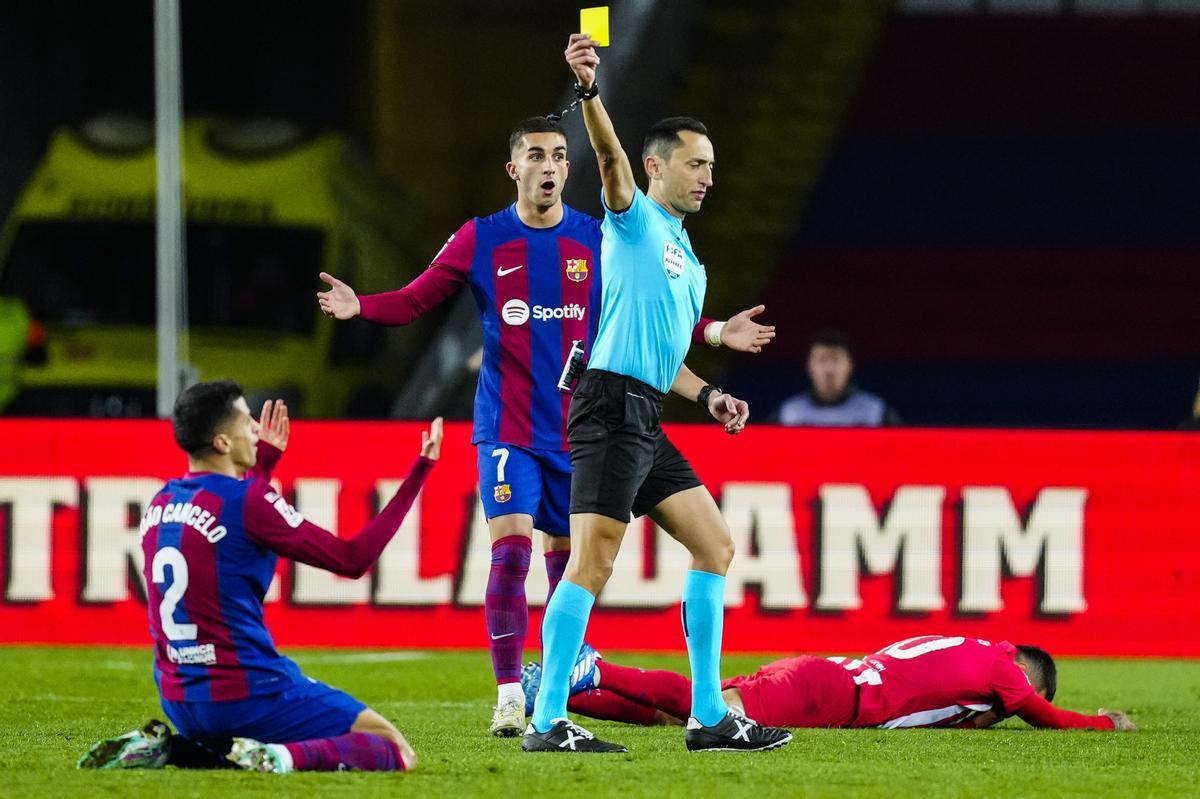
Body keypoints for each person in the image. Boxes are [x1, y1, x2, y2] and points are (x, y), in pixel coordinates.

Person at [317, 117, 775, 736]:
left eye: (560, 155)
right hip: (515, 425)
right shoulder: (483, 238)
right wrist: (361, 306)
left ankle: (632, 702)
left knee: (609, 557)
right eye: (537, 155)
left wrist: (714, 350)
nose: (551, 165)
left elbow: (648, 318)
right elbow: (418, 298)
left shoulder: (598, 238)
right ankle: (516, 693)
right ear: (516, 168)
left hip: (583, 424)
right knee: (515, 550)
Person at [520, 35, 791, 754]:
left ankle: (708, 715)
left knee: (716, 543)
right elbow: (606, 161)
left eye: (711, 167)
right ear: (656, 166)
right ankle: (546, 719)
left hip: (645, 411)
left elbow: (664, 353)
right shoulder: (634, 218)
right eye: (695, 164)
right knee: (593, 562)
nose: (707, 178)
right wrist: (588, 93)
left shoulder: (690, 261)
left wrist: (709, 391)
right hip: (609, 405)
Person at [77, 379, 443, 773]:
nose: (256, 428)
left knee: (230, 730)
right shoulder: (250, 502)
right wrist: (420, 472)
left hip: (179, 700)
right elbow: (352, 559)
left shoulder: (162, 500)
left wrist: (263, 460)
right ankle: (281, 757)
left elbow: (231, 516)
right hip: (246, 693)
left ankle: (174, 749)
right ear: (222, 443)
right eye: (246, 422)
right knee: (392, 747)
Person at [522, 636, 1136, 733]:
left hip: (825, 675)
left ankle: (554, 695)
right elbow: (1039, 712)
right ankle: (594, 669)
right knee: (710, 707)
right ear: (1026, 674)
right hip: (834, 693)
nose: (1007, 712)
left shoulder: (970, 648)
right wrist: (1101, 723)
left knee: (668, 718)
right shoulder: (1004, 668)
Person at [776, 329, 899, 427]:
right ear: (810, 366)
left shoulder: (877, 414)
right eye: (822, 360)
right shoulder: (787, 415)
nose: (829, 369)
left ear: (850, 366)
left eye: (836, 360)